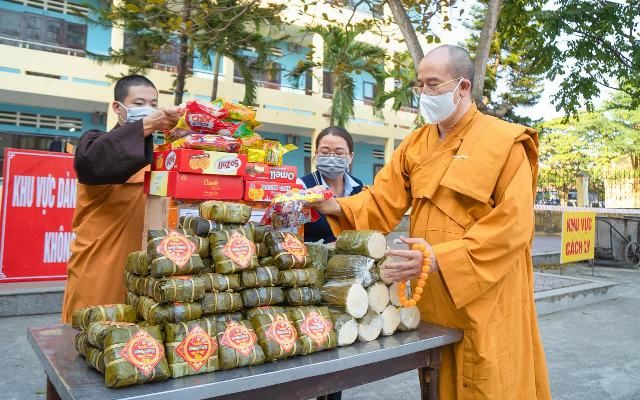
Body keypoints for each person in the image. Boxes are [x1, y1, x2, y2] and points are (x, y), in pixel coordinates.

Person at [314, 45, 551, 399]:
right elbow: (381, 201)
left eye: (434, 84)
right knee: (437, 382)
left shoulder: (504, 141)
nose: (424, 93)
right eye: (420, 85)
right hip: (433, 292)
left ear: (463, 87)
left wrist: (442, 258)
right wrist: (332, 205)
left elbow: (513, 224)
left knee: (490, 380)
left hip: (486, 290)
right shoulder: (416, 144)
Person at [61, 75, 180, 323]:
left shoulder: (158, 157)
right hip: (101, 268)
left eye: (153, 103)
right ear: (118, 107)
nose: (147, 109)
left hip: (145, 272)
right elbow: (96, 159)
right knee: (90, 335)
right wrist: (148, 124)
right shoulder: (94, 145)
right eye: (138, 103)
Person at [298, 126, 364, 243]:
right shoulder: (302, 186)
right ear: (316, 154)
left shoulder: (359, 187)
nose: (332, 157)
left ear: (350, 157)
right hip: (315, 259)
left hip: (352, 259)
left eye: (339, 153)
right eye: (324, 152)